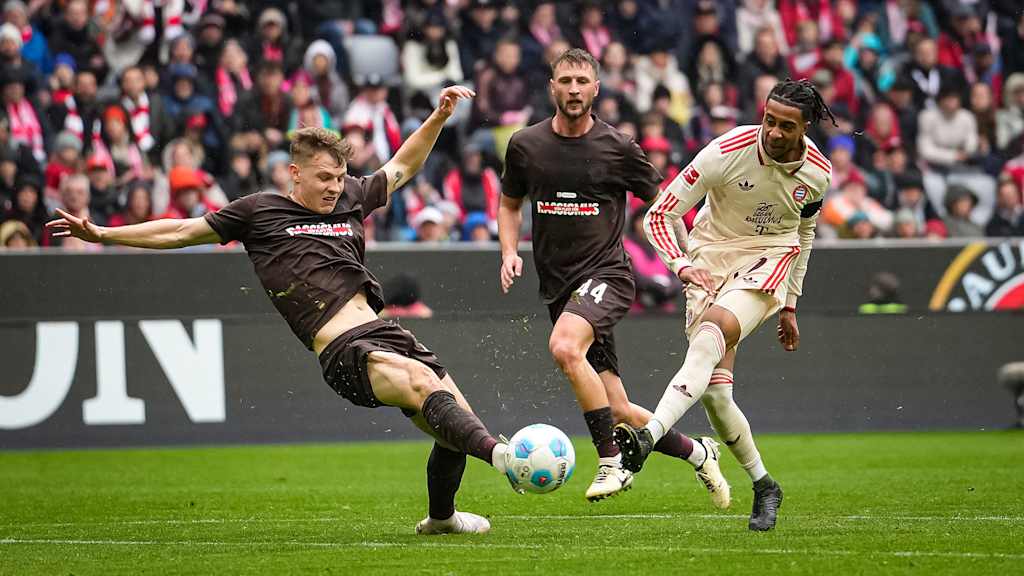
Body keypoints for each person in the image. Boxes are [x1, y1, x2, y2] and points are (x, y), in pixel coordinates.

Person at [47, 89, 514, 536]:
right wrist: (104, 234)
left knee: (452, 419)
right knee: (423, 387)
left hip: (383, 330)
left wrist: (439, 116)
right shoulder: (258, 212)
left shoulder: (351, 195)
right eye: (323, 178)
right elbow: (180, 232)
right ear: (295, 173)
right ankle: (503, 458)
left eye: (339, 177)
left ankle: (442, 519)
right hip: (342, 349)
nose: (334, 188)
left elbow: (401, 167)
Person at [498, 48, 728, 505]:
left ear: (596, 87)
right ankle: (698, 452)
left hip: (608, 274)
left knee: (564, 347)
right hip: (560, 288)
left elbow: (665, 206)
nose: (574, 89)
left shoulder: (618, 147)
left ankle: (610, 462)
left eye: (582, 81)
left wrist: (685, 258)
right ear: (552, 87)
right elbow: (509, 203)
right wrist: (508, 250)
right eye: (565, 81)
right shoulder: (526, 145)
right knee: (618, 409)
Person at [613, 79, 835, 532]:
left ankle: (647, 438)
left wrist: (790, 303)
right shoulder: (726, 150)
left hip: (769, 257)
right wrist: (678, 264)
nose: (772, 132)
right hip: (707, 262)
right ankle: (764, 484)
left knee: (712, 334)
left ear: (805, 127)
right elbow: (660, 214)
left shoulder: (818, 172)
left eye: (785, 126)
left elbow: (805, 233)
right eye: (769, 120)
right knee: (715, 394)